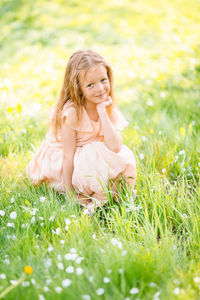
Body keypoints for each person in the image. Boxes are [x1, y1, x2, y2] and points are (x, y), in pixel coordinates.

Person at [26, 49, 137, 213]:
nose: (99, 88)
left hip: (88, 156)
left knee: (119, 155)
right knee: (95, 152)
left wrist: (102, 112)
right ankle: (89, 192)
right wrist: (70, 193)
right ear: (78, 88)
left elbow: (115, 147)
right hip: (62, 161)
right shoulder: (72, 112)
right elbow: (67, 155)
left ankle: (107, 191)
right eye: (90, 85)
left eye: (103, 80)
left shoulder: (106, 104)